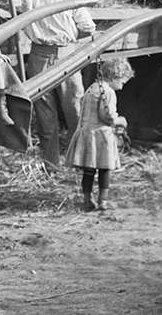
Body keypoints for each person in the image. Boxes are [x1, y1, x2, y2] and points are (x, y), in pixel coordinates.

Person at [0, 0, 95, 167]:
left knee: (74, 107)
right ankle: (51, 164)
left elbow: (88, 27)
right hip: (39, 56)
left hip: (67, 55)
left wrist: (65, 41)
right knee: (44, 113)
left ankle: (80, 162)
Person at [64, 58, 134, 212]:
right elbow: (106, 116)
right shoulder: (107, 92)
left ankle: (87, 199)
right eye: (122, 82)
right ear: (115, 77)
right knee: (105, 168)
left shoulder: (91, 88)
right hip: (100, 136)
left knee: (89, 170)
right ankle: (103, 200)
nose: (121, 87)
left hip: (87, 133)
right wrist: (120, 121)